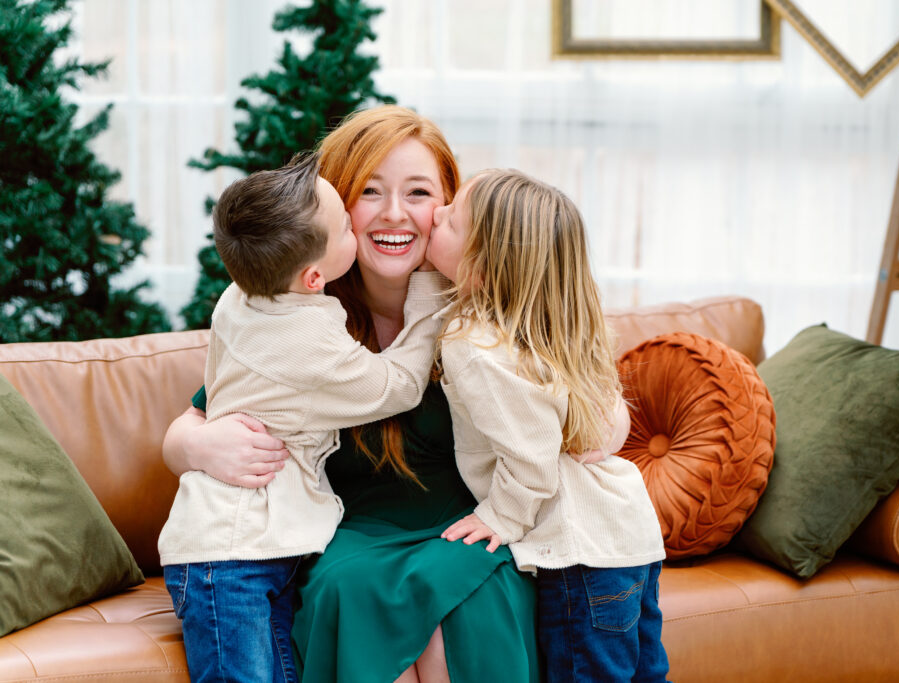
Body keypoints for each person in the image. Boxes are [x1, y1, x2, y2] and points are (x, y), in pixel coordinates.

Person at [161, 106, 541, 683]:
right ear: (336, 210)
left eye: (418, 192)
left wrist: (600, 429)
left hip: (472, 523)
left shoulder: (488, 298)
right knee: (353, 592)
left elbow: (586, 398)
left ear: (450, 208)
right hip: (349, 532)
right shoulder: (292, 311)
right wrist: (198, 447)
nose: (395, 214)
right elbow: (189, 425)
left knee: (458, 611)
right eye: (369, 192)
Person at [159, 151, 447, 683]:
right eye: (347, 225)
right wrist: (428, 296)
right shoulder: (306, 343)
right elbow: (400, 386)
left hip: (260, 546)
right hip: (234, 552)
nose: (363, 229)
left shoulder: (243, 293)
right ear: (314, 276)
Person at [429, 169, 670, 682]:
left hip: (580, 550)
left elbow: (531, 461)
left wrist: (500, 517)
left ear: (484, 266)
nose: (434, 214)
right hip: (630, 535)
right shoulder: (550, 331)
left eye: (451, 218)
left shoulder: (475, 346)